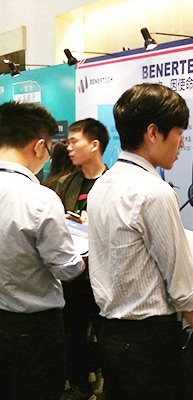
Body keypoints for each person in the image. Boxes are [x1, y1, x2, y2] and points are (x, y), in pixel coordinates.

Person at [87, 83, 193, 400]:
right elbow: (184, 288)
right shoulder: (154, 193)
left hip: (111, 334)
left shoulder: (103, 184)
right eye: (178, 133)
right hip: (148, 344)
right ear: (153, 132)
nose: (182, 144)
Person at [0, 101, 85, 400]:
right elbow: (67, 269)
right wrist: (82, 260)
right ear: (39, 147)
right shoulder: (40, 198)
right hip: (32, 330)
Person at [52, 118, 109, 400]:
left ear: (95, 145)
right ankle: (78, 387)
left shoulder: (112, 185)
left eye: (75, 141)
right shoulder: (66, 183)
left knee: (106, 337)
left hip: (104, 276)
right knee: (72, 334)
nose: (68, 148)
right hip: (72, 274)